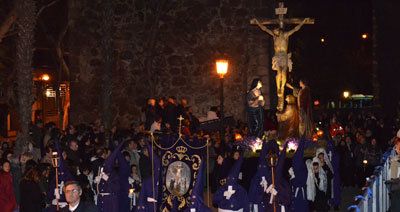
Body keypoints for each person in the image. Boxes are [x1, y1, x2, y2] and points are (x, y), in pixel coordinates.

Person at [251, 18, 309, 111]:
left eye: (275, 30)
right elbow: (265, 29)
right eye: (274, 31)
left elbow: (295, 29)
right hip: (278, 57)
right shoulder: (274, 37)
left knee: (283, 73)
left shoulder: (286, 35)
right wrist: (257, 22)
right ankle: (279, 88)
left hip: (284, 57)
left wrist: (303, 22)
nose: (274, 32)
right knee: (279, 73)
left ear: (279, 30)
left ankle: (282, 86)